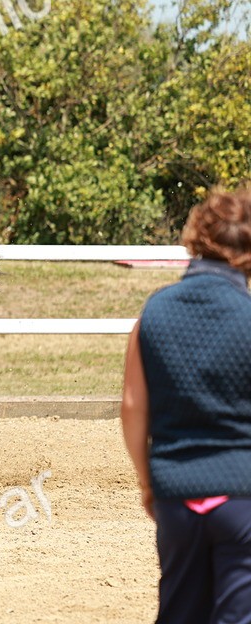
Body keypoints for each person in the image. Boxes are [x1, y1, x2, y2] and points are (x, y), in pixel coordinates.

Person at [121, 187, 251, 623]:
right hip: (240, 496)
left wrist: (149, 484)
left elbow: (133, 407)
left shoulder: (153, 312)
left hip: (176, 495)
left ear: (196, 236)